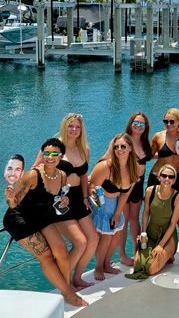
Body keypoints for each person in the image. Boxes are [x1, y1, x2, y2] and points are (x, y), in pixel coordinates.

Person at [3, 138, 87, 307]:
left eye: (54, 154)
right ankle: (69, 293)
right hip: (19, 219)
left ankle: (67, 286)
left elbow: (59, 197)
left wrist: (65, 201)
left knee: (62, 250)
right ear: (42, 154)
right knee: (46, 255)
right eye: (46, 153)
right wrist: (10, 198)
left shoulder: (62, 175)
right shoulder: (33, 175)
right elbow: (14, 204)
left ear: (61, 156)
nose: (50, 157)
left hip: (41, 217)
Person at [55, 113, 98, 289]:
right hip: (59, 200)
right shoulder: (55, 147)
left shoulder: (83, 149)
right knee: (80, 242)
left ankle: (77, 277)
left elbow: (84, 175)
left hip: (78, 198)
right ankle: (64, 282)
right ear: (64, 126)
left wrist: (86, 197)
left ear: (81, 130)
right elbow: (37, 169)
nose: (74, 129)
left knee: (93, 239)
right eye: (70, 126)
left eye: (77, 127)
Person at [89, 133, 138, 281]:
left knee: (116, 235)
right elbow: (92, 186)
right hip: (101, 205)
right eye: (116, 147)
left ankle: (106, 264)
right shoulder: (105, 166)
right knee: (106, 237)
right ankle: (98, 267)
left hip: (116, 203)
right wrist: (96, 201)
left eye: (123, 146)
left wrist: (117, 213)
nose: (119, 149)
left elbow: (124, 194)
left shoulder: (132, 169)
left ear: (130, 148)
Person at [126, 164, 179, 279]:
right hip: (150, 234)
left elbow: (173, 224)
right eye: (164, 176)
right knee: (137, 264)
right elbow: (145, 213)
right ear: (159, 177)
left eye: (171, 177)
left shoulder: (177, 197)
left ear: (174, 180)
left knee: (151, 270)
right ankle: (163, 256)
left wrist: (161, 245)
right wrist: (143, 235)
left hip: (167, 236)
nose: (167, 179)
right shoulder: (150, 191)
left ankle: (168, 253)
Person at [118, 112, 152, 266]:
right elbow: (107, 158)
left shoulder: (146, 144)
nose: (138, 126)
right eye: (136, 122)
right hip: (123, 186)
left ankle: (137, 251)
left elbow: (155, 155)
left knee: (134, 219)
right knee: (123, 221)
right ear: (131, 123)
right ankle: (122, 254)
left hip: (138, 186)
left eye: (142, 124)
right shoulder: (122, 140)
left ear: (145, 127)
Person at [149, 108, 179, 192]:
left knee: (174, 204)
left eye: (172, 121)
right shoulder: (158, 136)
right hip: (157, 177)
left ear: (178, 121)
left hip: (174, 178)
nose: (168, 124)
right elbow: (149, 156)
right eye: (165, 121)